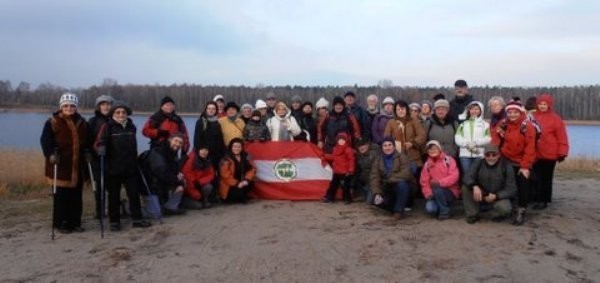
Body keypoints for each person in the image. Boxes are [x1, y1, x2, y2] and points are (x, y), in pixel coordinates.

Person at [95, 101, 152, 231]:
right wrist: (101, 148)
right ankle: (114, 222)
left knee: (134, 194)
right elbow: (98, 142)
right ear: (113, 114)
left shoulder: (131, 126)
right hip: (113, 168)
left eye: (123, 112)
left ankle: (137, 219)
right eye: (118, 112)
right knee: (114, 196)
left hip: (130, 167)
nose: (121, 114)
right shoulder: (107, 126)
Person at [40, 93, 90, 233]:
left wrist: (88, 152)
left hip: (77, 166)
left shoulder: (82, 122)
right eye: (66, 105)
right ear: (61, 107)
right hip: (60, 165)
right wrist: (50, 154)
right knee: (61, 197)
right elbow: (45, 141)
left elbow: (88, 141)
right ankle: (61, 223)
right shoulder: (52, 122)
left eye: (72, 106)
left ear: (76, 107)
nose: (69, 108)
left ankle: (75, 222)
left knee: (76, 197)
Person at [496, 101, 536, 225]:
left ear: (520, 112)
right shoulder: (504, 124)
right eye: (509, 112)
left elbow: (530, 147)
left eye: (515, 112)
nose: (512, 115)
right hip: (507, 159)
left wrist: (525, 166)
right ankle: (508, 209)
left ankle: (521, 210)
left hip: (522, 161)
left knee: (522, 185)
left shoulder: (527, 126)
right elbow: (497, 139)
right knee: (508, 184)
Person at [532, 93, 569, 209]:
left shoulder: (556, 119)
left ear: (549, 105)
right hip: (535, 153)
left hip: (549, 153)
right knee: (535, 177)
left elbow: (562, 136)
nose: (542, 106)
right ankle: (536, 198)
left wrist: (562, 152)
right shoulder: (532, 116)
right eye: (540, 104)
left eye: (545, 104)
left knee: (546, 178)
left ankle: (544, 200)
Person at [462, 144, 516, 224]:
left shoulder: (506, 165)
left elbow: (511, 189)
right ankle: (473, 214)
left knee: (505, 209)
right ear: (484, 155)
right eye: (488, 155)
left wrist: (496, 196)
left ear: (499, 155)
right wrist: (474, 186)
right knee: (465, 188)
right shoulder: (479, 162)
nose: (491, 157)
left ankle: (493, 213)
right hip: (482, 193)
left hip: (498, 196)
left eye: (494, 155)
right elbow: (467, 177)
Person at [370, 137, 413, 219]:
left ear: (394, 146)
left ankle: (398, 211)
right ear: (382, 148)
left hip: (401, 185)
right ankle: (395, 207)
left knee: (402, 185)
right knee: (375, 201)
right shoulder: (378, 159)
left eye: (390, 145)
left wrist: (390, 179)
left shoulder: (402, 157)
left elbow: (406, 174)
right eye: (385, 145)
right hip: (387, 187)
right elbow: (374, 177)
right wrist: (377, 193)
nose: (387, 147)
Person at [146, 133, 187, 215]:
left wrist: (179, 176)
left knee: (180, 186)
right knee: (155, 214)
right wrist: (178, 181)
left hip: (162, 183)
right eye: (176, 141)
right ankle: (128, 208)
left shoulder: (173, 153)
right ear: (169, 140)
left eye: (180, 143)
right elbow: (162, 173)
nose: (178, 144)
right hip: (150, 185)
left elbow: (174, 170)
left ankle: (170, 208)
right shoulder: (158, 151)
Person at [87, 94, 113, 219]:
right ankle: (100, 212)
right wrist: (90, 153)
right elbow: (88, 139)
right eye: (103, 104)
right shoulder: (93, 121)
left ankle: (114, 210)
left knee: (113, 187)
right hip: (98, 159)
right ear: (98, 106)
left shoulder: (115, 119)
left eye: (108, 104)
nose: (106, 106)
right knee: (100, 187)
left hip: (113, 159)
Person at [420, 140, 460, 220]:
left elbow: (454, 176)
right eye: (430, 149)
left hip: (450, 190)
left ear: (440, 149)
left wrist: (440, 183)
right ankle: (446, 206)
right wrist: (428, 193)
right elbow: (424, 181)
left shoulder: (449, 160)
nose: (432, 151)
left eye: (435, 148)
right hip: (435, 192)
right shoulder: (427, 164)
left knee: (437, 189)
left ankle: (444, 212)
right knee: (430, 209)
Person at [384, 100, 426, 174]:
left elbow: (422, 135)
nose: (400, 111)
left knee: (414, 177)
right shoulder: (391, 122)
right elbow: (387, 137)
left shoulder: (414, 121)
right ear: (395, 111)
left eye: (402, 109)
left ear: (406, 110)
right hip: (397, 156)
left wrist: (412, 143)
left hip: (413, 156)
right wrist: (393, 144)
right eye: (398, 109)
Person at [455, 101, 491, 174]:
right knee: (467, 174)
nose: (474, 111)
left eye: (477, 109)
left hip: (479, 154)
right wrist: (467, 144)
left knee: (478, 174)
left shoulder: (486, 125)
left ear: (481, 110)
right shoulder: (463, 124)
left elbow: (488, 138)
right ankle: (468, 185)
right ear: (469, 111)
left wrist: (475, 143)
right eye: (472, 109)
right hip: (465, 154)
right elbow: (457, 137)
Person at [219, 138, 256, 203]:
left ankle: (241, 195)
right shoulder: (226, 158)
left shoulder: (246, 156)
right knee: (239, 194)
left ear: (242, 148)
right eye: (234, 146)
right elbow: (225, 175)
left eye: (239, 147)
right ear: (231, 147)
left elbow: (252, 169)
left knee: (251, 183)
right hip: (229, 184)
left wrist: (246, 180)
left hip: (242, 181)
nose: (237, 148)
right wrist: (237, 183)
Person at [322, 133, 356, 204]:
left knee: (346, 186)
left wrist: (351, 169)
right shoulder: (335, 148)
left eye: (343, 140)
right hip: (337, 171)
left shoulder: (348, 150)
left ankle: (347, 199)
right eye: (339, 140)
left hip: (345, 172)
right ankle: (329, 197)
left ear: (346, 141)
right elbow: (334, 157)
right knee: (333, 185)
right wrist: (324, 156)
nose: (341, 141)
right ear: (337, 140)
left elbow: (351, 160)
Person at [181, 145, 216, 209]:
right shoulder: (190, 160)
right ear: (198, 150)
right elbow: (187, 180)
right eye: (202, 149)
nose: (204, 152)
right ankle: (182, 202)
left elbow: (211, 174)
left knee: (208, 187)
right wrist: (196, 195)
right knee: (198, 206)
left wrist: (200, 181)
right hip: (188, 190)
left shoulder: (207, 161)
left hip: (198, 184)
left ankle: (204, 200)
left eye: (206, 150)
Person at [193, 101, 225, 170]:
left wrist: (223, 152)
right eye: (209, 108)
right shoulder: (201, 121)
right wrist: (200, 152)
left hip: (217, 155)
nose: (211, 110)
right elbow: (197, 139)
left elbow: (220, 139)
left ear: (216, 110)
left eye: (213, 109)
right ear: (206, 110)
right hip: (206, 155)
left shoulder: (217, 122)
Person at [354, 138, 379, 203]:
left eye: (363, 145)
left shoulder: (374, 153)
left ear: (368, 145)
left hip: (373, 181)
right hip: (365, 180)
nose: (361, 147)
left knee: (369, 202)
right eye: (359, 146)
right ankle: (362, 195)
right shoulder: (359, 155)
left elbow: (375, 171)